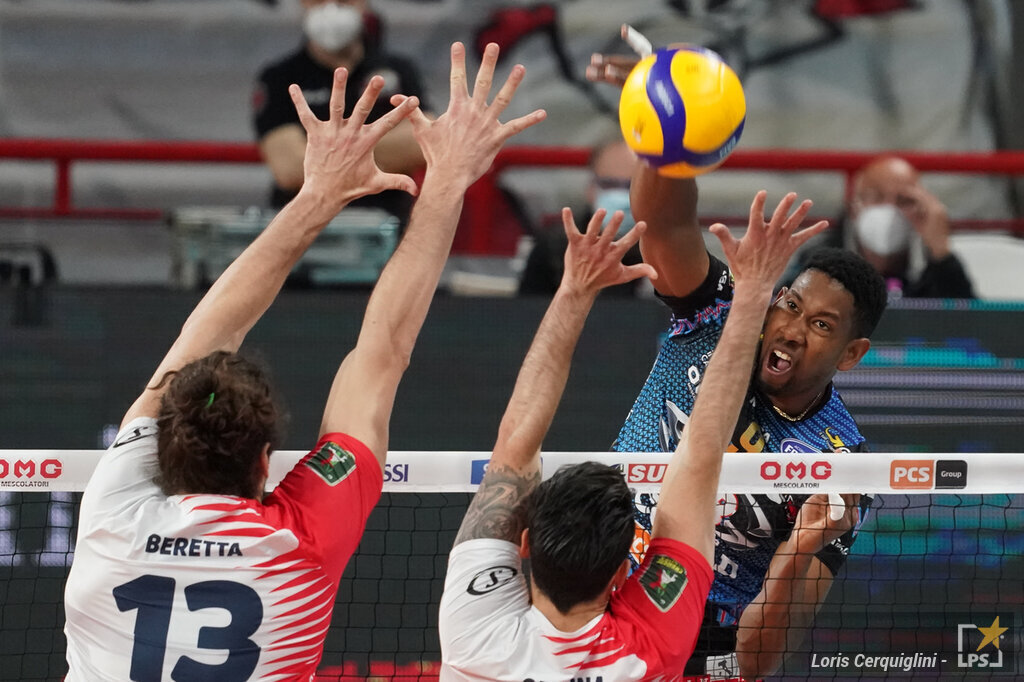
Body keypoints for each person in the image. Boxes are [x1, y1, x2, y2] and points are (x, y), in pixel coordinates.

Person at [64, 42, 544, 681]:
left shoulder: (112, 515)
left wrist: (316, 195)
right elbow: (382, 352)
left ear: (164, 448)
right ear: (266, 462)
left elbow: (206, 332)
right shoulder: (303, 542)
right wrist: (448, 177)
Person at [588, 27, 888, 680]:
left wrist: (800, 549)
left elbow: (761, 659)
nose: (791, 329)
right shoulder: (723, 315)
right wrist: (667, 130)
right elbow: (666, 226)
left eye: (820, 325)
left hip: (704, 653)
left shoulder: (840, 465)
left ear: (851, 354)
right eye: (790, 304)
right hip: (596, 603)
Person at [439, 192, 827, 681]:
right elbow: (700, 454)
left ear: (524, 544)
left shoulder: (472, 631)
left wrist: (574, 289)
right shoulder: (650, 650)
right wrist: (753, 292)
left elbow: (515, 439)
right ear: (624, 573)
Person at [253, 0, 429, 220]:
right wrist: (381, 149)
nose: (331, 6)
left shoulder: (399, 70)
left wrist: (327, 155)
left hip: (388, 221)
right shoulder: (279, 77)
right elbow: (290, 168)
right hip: (304, 225)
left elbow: (422, 142)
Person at [828, 154, 974, 298]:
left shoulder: (935, 272)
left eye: (903, 200)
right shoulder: (824, 264)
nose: (889, 209)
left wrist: (941, 254)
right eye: (876, 196)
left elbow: (967, 311)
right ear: (853, 205)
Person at [518, 138, 646, 297]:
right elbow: (528, 309)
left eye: (632, 186)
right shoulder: (556, 247)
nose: (620, 196)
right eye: (608, 184)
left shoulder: (668, 251)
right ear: (590, 189)